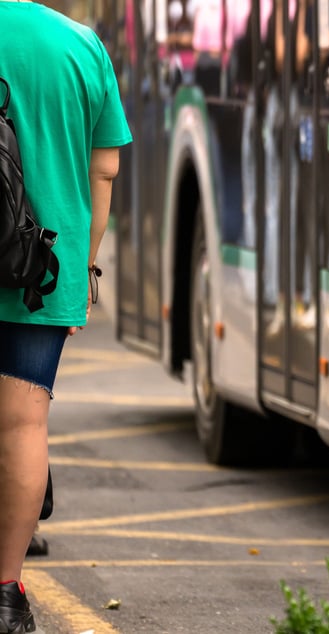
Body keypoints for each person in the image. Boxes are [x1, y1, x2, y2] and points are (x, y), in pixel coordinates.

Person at [0, 2, 133, 632]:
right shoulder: (82, 46)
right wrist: (83, 270)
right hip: (41, 270)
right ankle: (6, 593)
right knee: (23, 427)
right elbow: (103, 170)